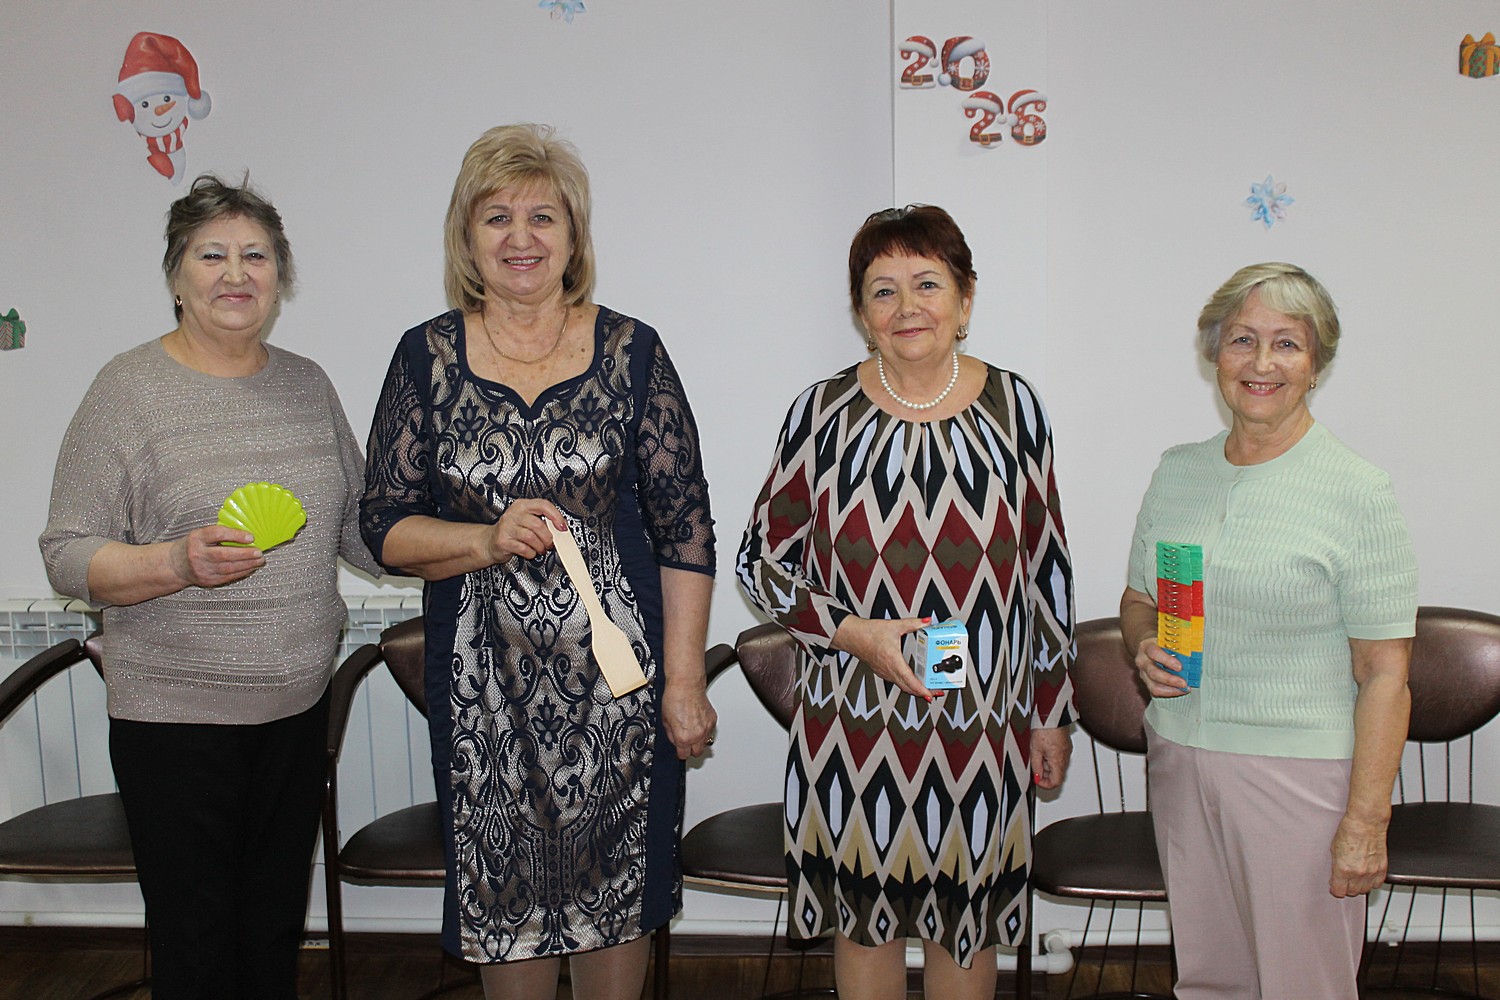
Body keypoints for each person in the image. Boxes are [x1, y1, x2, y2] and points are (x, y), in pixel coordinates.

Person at [360, 123, 716, 1000]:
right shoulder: (424, 357)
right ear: (467, 237)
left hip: (619, 690)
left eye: (543, 217)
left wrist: (683, 683)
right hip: (482, 696)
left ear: (573, 236)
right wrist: (482, 540)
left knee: (616, 901)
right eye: (497, 217)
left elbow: (685, 528)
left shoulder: (633, 351)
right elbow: (383, 527)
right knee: (503, 904)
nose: (521, 238)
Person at [39, 175, 380, 1000]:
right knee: (196, 946)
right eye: (212, 255)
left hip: (296, 712)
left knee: (272, 934)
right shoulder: (127, 390)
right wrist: (175, 564)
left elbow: (361, 530)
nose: (236, 274)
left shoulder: (307, 384)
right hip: (174, 723)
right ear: (176, 275)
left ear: (280, 276)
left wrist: (470, 534)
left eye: (256, 256)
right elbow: (66, 554)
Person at [737, 205, 1076, 1000]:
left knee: (967, 921)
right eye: (882, 291)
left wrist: (1051, 711)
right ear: (861, 313)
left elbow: (1046, 569)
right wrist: (852, 632)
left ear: (964, 298)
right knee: (866, 921)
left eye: (927, 283)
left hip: (982, 721)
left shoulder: (1015, 408)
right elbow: (759, 564)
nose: (906, 307)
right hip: (853, 718)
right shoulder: (822, 413)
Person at [1120, 262, 1417, 1000]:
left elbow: (1385, 673)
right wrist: (1143, 644)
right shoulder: (1178, 472)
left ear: (1316, 363)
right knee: (1209, 980)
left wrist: (1367, 821)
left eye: (1287, 343)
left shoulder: (1357, 490)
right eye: (1242, 340)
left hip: (1300, 778)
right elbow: (1137, 599)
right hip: (1182, 760)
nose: (1261, 362)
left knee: (1303, 986)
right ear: (1215, 354)